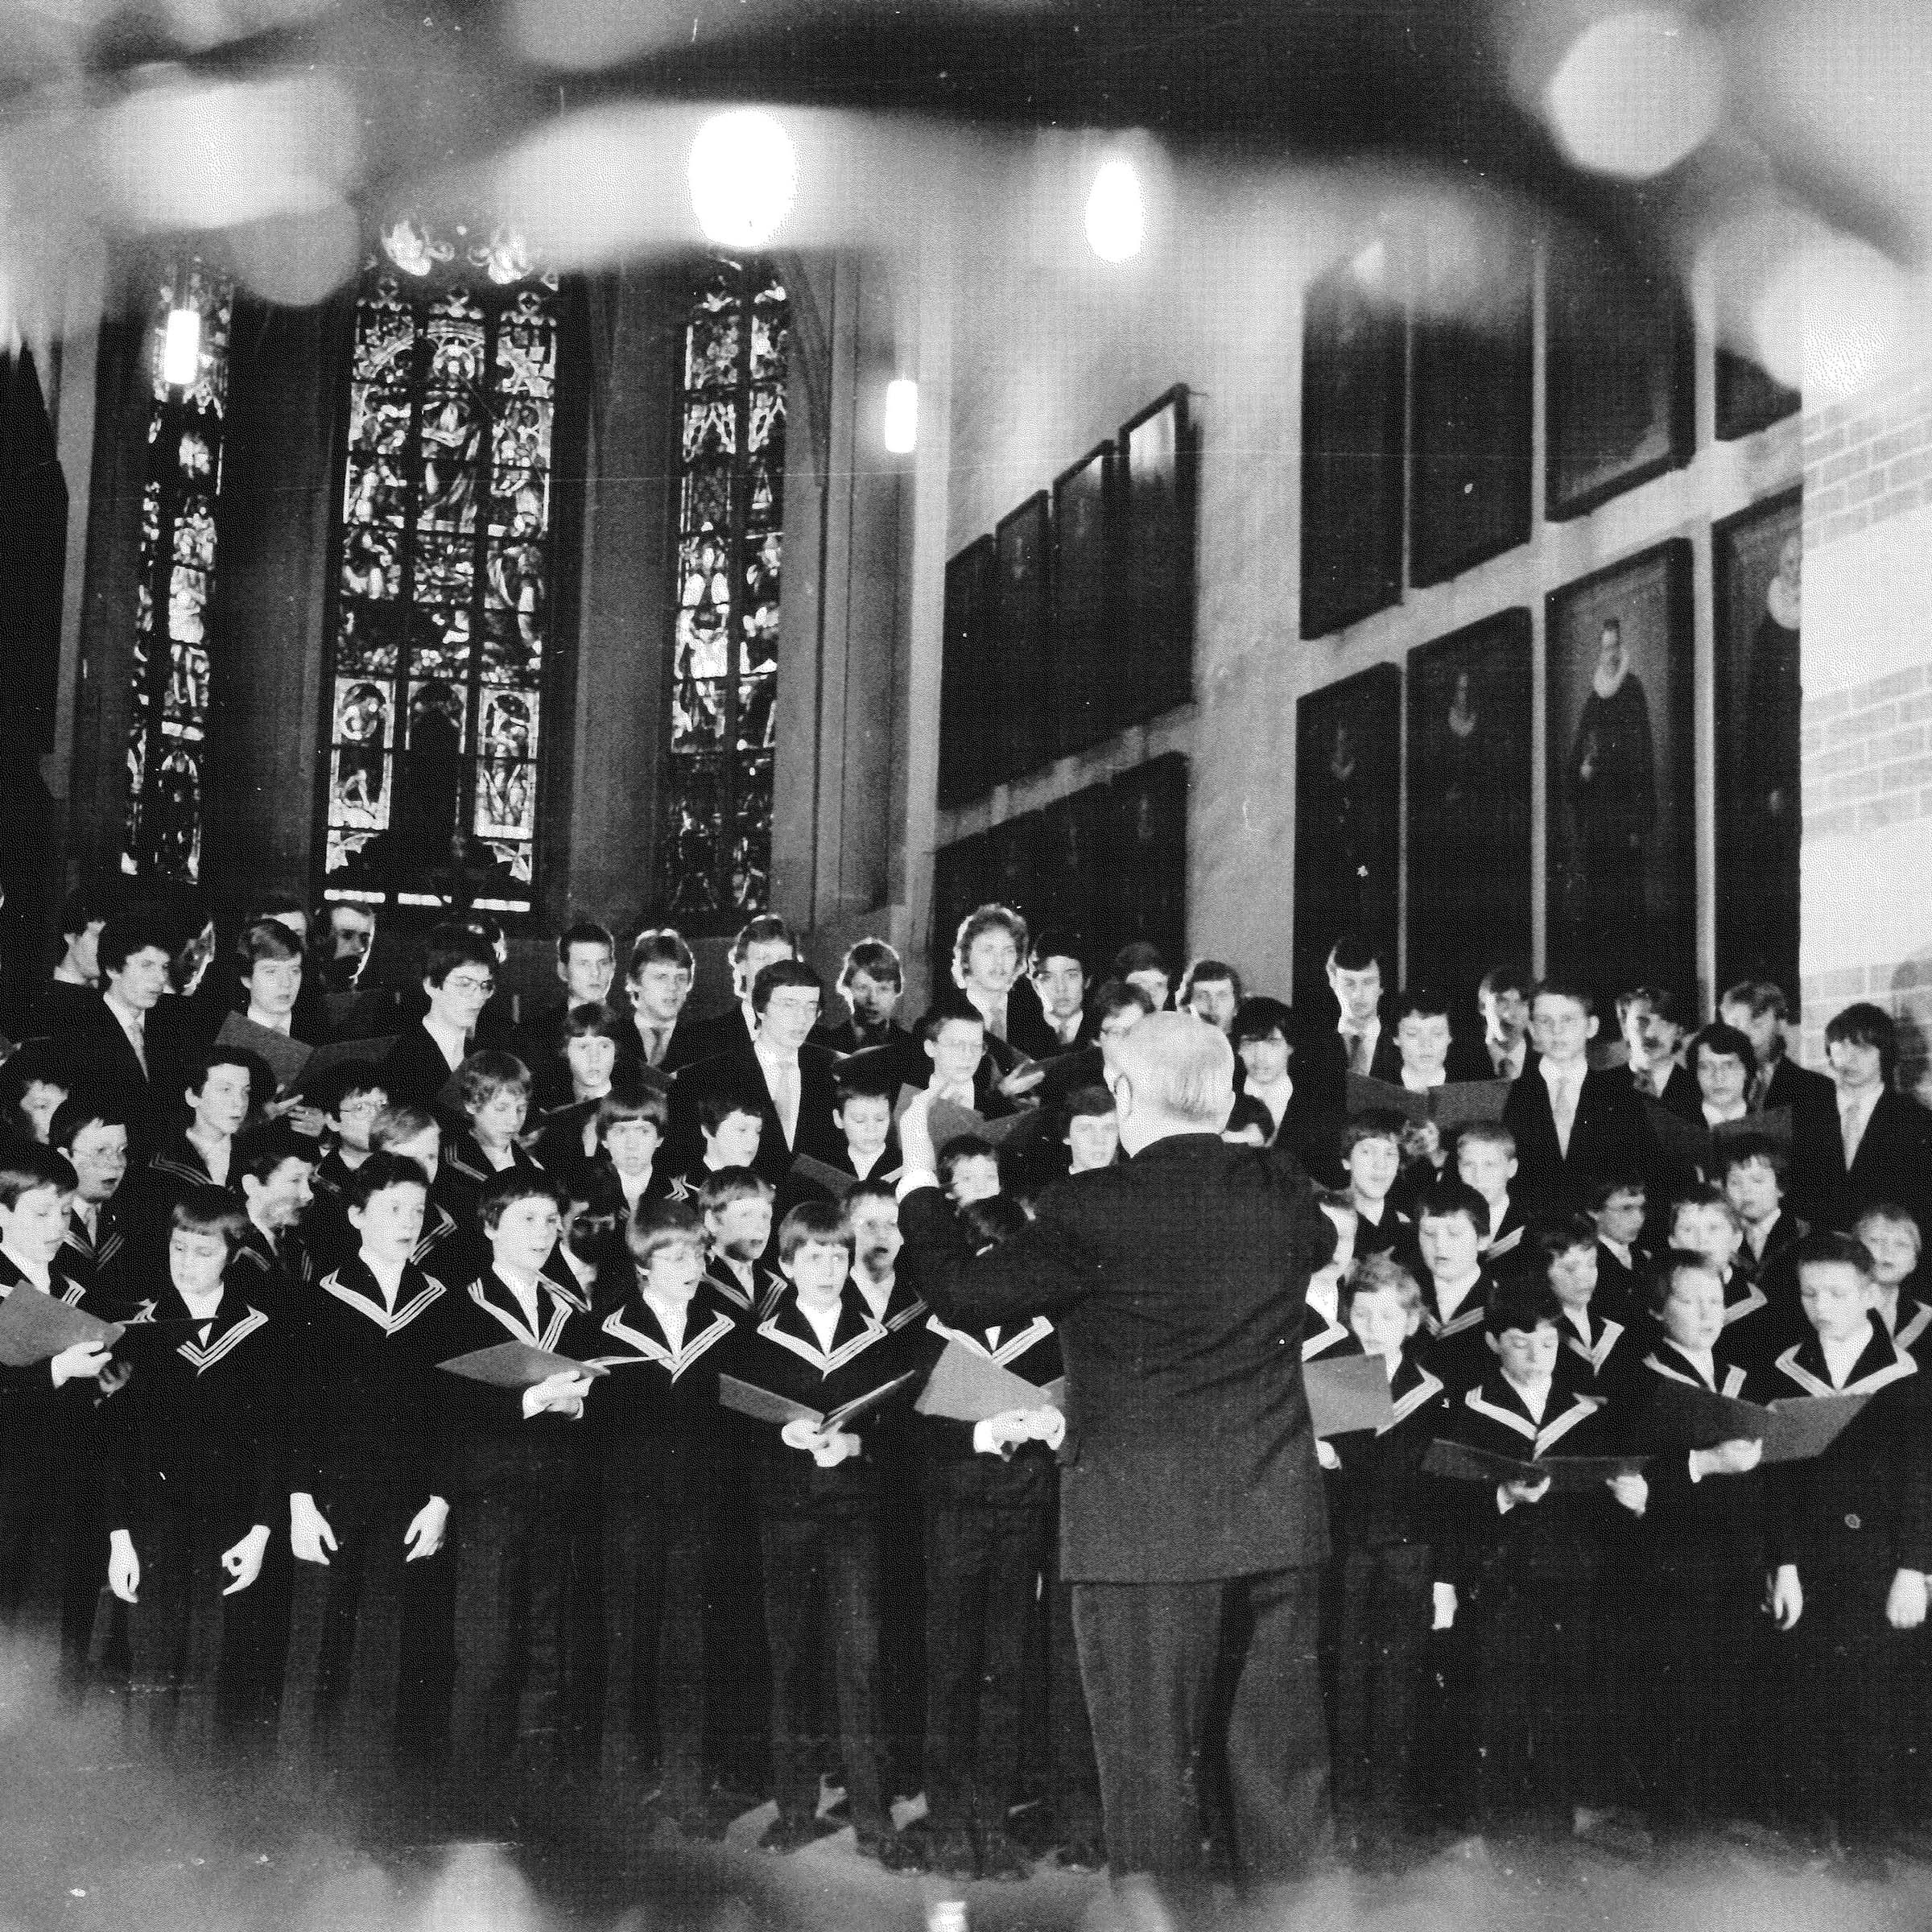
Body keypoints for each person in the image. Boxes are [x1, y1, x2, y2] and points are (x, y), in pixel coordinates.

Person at [897, 1012, 1335, 1897]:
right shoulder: (1282, 1189)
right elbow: (1319, 1245)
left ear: (1127, 1097)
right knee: (1281, 1779)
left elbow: (962, 1293)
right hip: (1275, 1523)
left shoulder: (1091, 1208)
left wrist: (917, 1171)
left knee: (1149, 1778)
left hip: (1140, 1538)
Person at [731, 1199, 919, 1864]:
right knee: (789, 1665)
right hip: (785, 1518)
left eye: (839, 1256)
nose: (828, 1268)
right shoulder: (753, 1344)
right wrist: (782, 1435)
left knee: (860, 1663)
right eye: (813, 1257)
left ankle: (872, 1818)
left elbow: (905, 1439)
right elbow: (733, 1438)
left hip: (854, 1522)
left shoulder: (881, 1344)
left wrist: (859, 1445)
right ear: (786, 1264)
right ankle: (793, 1811)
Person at [1433, 1276, 1649, 1837]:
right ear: (1495, 1345)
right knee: (1495, 1699)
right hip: (1499, 1575)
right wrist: (1503, 1495)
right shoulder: (1471, 1410)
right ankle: (1491, 1821)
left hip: (1569, 1571)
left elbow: (1603, 1497)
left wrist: (1627, 1500)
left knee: (1563, 1697)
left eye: (1548, 1344)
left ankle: (1553, 1822)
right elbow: (1449, 1505)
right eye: (1520, 1343)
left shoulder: (1584, 1411)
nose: (1536, 1355)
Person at [277, 1152, 456, 1798]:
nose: (407, 1223)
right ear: (355, 1216)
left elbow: (451, 1414)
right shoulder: (316, 1301)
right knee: (316, 1643)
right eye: (391, 1209)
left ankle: (368, 1798)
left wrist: (439, 1500)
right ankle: (298, 1798)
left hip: (408, 1502)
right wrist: (299, 1501)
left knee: (388, 1646)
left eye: (416, 1210)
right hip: (332, 1499)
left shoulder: (440, 1305)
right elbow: (295, 1413)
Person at [1762, 1229, 1932, 1876]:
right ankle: (1808, 1831)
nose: (1821, 1305)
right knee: (1803, 1700)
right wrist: (1783, 1565)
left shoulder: (1907, 1376)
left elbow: (1923, 1481)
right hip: (1807, 1562)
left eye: (1836, 1292)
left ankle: (1866, 1848)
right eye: (1809, 1292)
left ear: (1870, 1293)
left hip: (1879, 1562)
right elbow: (1776, 1484)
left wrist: (1916, 1568)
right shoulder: (1782, 1370)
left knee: (1871, 1707)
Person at [439, 1169, 600, 1819]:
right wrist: (533, 1400)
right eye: (526, 1220)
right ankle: (471, 1799)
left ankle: (533, 1795)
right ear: (491, 1226)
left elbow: (592, 1395)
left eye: (549, 1222)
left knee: (547, 1644)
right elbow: (448, 1409)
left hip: (556, 1495)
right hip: (490, 1498)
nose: (542, 1233)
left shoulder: (570, 1308)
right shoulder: (459, 1305)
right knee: (486, 1649)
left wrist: (578, 1404)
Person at [914, 1192, 1063, 1880]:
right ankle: (946, 1821)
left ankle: (991, 1822)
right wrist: (983, 1431)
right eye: (984, 1262)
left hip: (1024, 1511)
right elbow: (908, 1432)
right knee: (948, 1666)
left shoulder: (1054, 1332)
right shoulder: (936, 1331)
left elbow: (1076, 1407)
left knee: (1007, 1668)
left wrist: (1053, 1427)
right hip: (955, 1513)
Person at [105, 1187, 282, 1758]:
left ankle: (201, 1805)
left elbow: (273, 1441)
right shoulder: (134, 1329)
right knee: (150, 1661)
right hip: (152, 1523)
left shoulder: (262, 1331)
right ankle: (142, 1799)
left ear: (233, 1255)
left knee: (216, 1662)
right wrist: (120, 1539)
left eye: (202, 1253)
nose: (185, 1263)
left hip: (230, 1523)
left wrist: (259, 1532)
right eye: (178, 1249)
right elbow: (116, 1447)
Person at [590, 1199, 743, 1836]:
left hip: (700, 1514)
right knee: (627, 1650)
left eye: (696, 1253)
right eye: (671, 1255)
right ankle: (622, 1793)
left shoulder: (728, 1327)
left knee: (691, 1650)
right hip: (628, 1514)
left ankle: (686, 1789)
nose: (688, 1266)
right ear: (642, 1262)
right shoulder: (605, 1329)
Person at [1628, 1249, 1769, 1841]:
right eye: (1691, 1300)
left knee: (1727, 1696)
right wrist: (1704, 1462)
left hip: (1737, 1561)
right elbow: (1625, 1481)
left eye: (1716, 1300)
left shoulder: (1745, 1378)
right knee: (1675, 1701)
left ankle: (1710, 1827)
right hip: (1670, 1566)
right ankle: (1676, 1839)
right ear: (1660, 1309)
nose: (1708, 1313)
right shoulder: (1636, 1380)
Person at [1318, 1254, 1449, 1868]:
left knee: (1398, 1691)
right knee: (1345, 1687)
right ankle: (1346, 1821)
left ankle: (1388, 1825)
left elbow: (1439, 1491)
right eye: (1361, 1314)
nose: (1373, 1326)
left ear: (1414, 1319)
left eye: (1387, 1315)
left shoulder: (1435, 1394)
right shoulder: (1333, 1383)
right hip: (1344, 1556)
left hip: (1407, 1558)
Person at [676, 960, 840, 1186]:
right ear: (760, 1008)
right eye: (788, 1005)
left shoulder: (833, 1071)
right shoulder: (704, 1076)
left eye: (811, 1008)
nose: (801, 1019)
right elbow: (686, 1160)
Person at [1501, 980, 1656, 1212]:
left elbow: (1646, 1175)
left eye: (1568, 1020)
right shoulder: (1509, 1096)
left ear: (1591, 1027)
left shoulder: (1623, 1096)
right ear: (1532, 1030)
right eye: (1545, 1021)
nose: (1557, 1031)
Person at [1567, 617, 1656, 994]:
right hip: (1597, 826)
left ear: (1622, 649)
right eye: (1604, 647)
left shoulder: (1632, 691)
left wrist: (1638, 825)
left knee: (1625, 910)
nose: (1610, 653)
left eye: (1614, 646)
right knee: (1597, 913)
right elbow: (1575, 766)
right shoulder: (1593, 699)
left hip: (1625, 826)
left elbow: (1643, 762)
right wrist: (1583, 772)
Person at [1796, 1002, 1932, 1233]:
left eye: (1863, 1049)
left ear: (1885, 1055)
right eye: (1842, 1047)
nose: (1850, 1059)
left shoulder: (1915, 1120)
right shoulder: (1807, 1115)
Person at [380, 926, 500, 1113]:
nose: (478, 997)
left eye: (486, 985)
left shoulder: (482, 1052)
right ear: (431, 986)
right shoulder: (404, 1059)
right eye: (464, 983)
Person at [674, 914, 796, 1067]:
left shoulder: (818, 1042)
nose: (773, 971)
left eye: (783, 961)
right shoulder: (702, 1039)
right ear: (742, 965)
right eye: (763, 959)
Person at [625, 929, 703, 1075]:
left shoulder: (704, 1043)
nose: (673, 987)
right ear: (634, 982)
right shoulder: (611, 1039)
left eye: (680, 978)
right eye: (661, 977)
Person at [815, 939, 910, 1057]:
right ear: (848, 988)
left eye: (883, 989)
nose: (873, 999)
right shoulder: (825, 1046)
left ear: (896, 991)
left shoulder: (913, 1048)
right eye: (863, 988)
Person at [1029, 931, 1092, 1053]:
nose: (1061, 988)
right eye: (1048, 977)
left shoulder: (1101, 1030)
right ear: (1036, 985)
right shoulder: (1021, 1034)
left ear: (1087, 981)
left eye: (1071, 976)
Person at [1477, 965, 1535, 1084]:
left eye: (1521, 1003)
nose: (1511, 1013)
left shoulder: (1549, 1059)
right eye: (1501, 1002)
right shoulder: (1458, 1060)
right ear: (1482, 1007)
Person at [1179, 960, 1242, 1035]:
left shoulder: (1251, 1045)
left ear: (1236, 1007)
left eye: (1222, 997)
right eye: (1202, 997)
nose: (1213, 1005)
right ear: (1186, 1007)